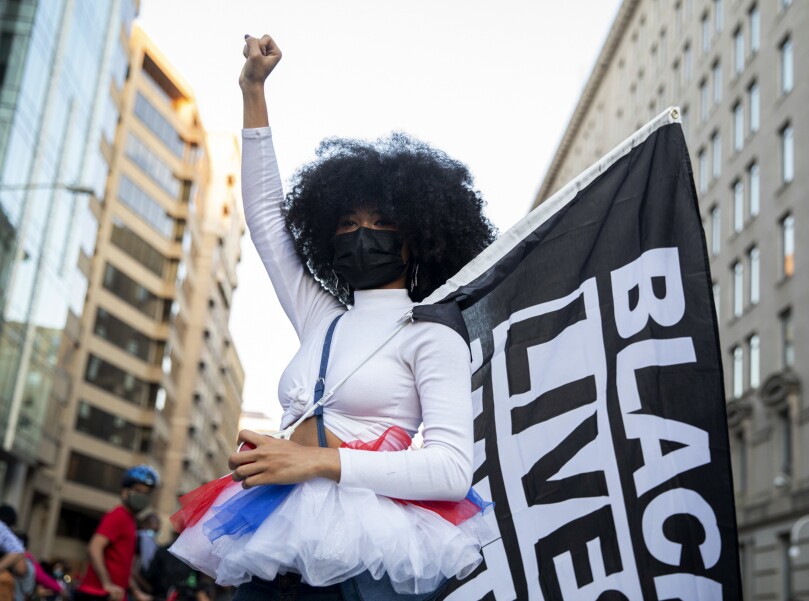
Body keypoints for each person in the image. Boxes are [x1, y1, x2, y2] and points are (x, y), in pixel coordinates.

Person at [169, 33, 496, 600]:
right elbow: (268, 221)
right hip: (275, 522)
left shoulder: (432, 333)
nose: (359, 234)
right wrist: (253, 92)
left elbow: (450, 471)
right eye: (346, 223)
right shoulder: (320, 315)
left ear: (417, 236)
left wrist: (315, 461)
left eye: (379, 222)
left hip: (366, 539)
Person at [75, 466, 159, 601]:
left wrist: (136, 592)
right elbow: (94, 547)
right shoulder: (118, 515)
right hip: (98, 594)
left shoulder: (130, 520)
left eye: (146, 493)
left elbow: (123, 565)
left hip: (116, 595)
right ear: (125, 491)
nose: (142, 496)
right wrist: (106, 583)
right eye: (138, 491)